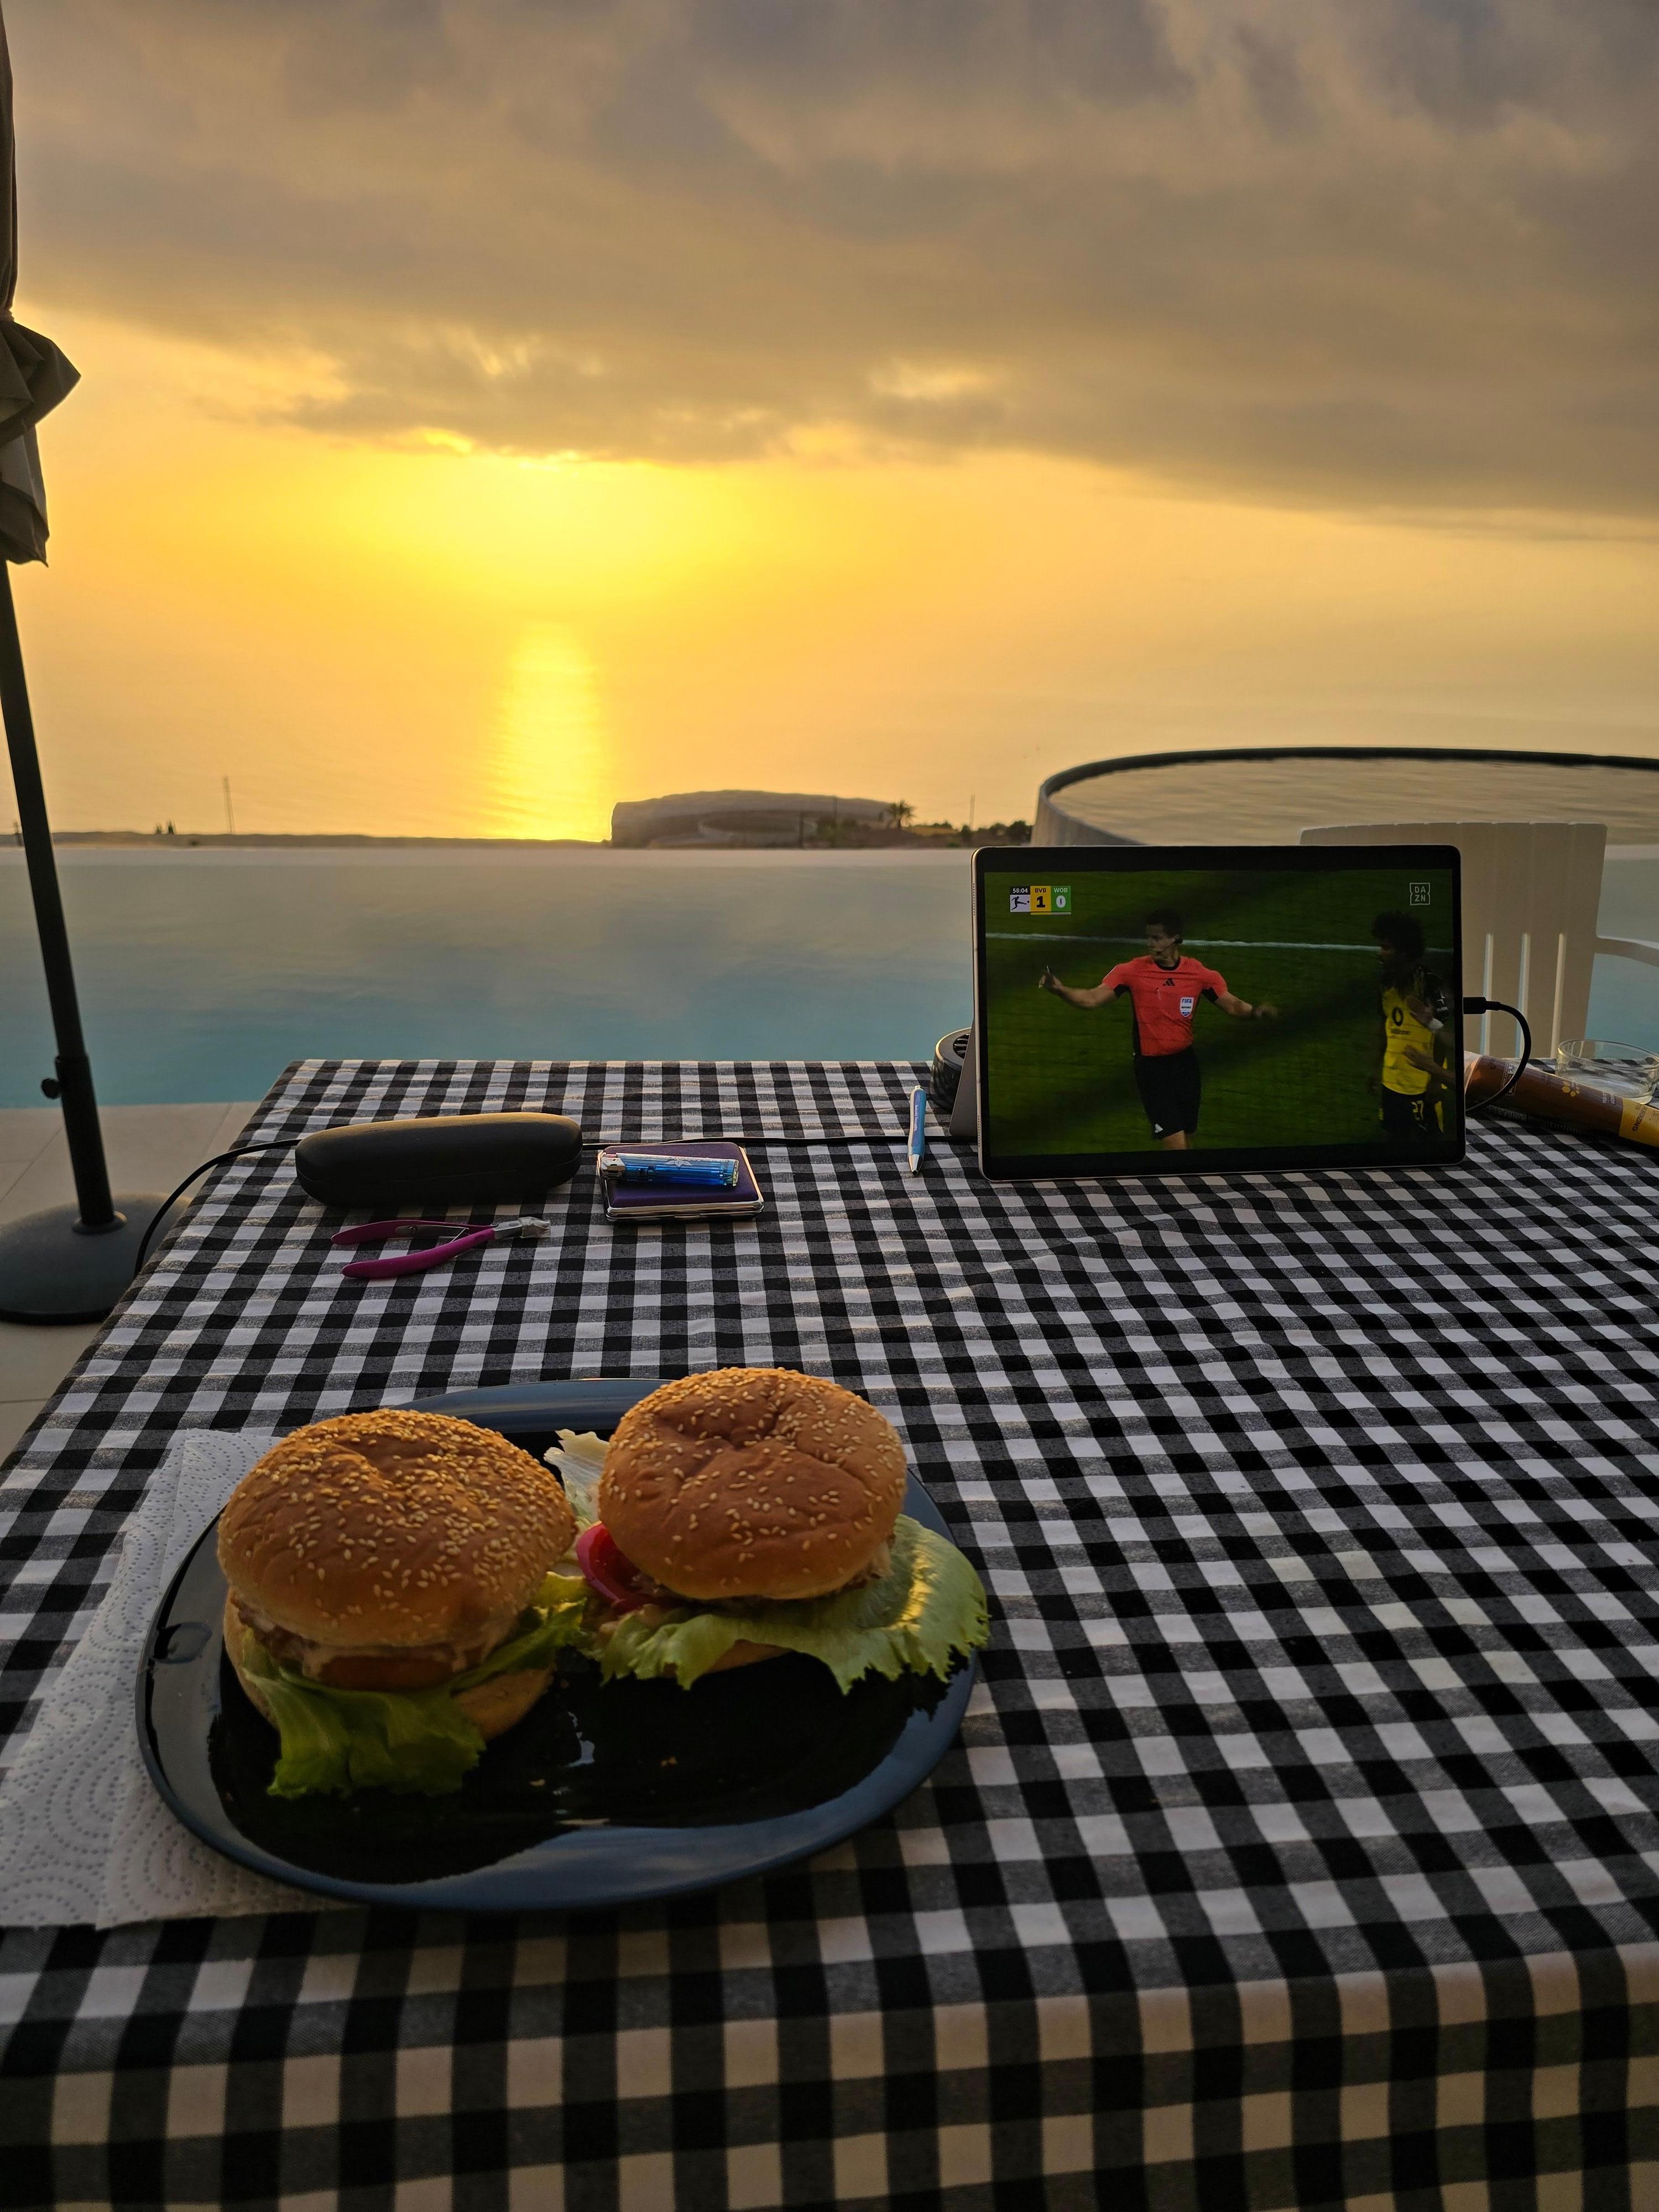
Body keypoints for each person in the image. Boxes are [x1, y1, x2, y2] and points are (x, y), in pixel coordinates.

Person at [1038, 909, 1277, 1149]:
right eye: (1148, 937)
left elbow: (1233, 1006)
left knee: (1186, 1139)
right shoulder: (1131, 971)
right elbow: (1091, 998)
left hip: (1186, 1066)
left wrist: (1255, 1012)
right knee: (1176, 1144)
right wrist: (1061, 990)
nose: (1150, 944)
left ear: (1175, 938)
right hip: (1152, 1070)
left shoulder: (1198, 974)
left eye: (1157, 938)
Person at [1371, 910, 1454, 1144]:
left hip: (1421, 1086)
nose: (1381, 954)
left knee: (1429, 1145)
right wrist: (1377, 1068)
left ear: (1404, 951)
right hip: (1392, 1083)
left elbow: (1441, 1037)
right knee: (1393, 1142)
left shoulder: (1430, 985)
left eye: (1386, 948)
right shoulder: (1385, 983)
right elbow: (1385, 1025)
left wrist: (1436, 1080)